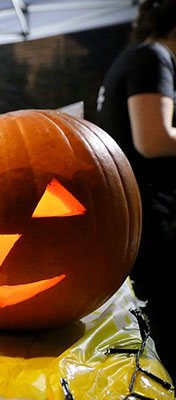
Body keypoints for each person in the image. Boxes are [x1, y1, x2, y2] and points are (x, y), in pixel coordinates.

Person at [97, 0, 176, 379]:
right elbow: (154, 139)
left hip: (136, 214)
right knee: (166, 323)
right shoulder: (153, 58)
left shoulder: (138, 57)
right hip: (151, 217)